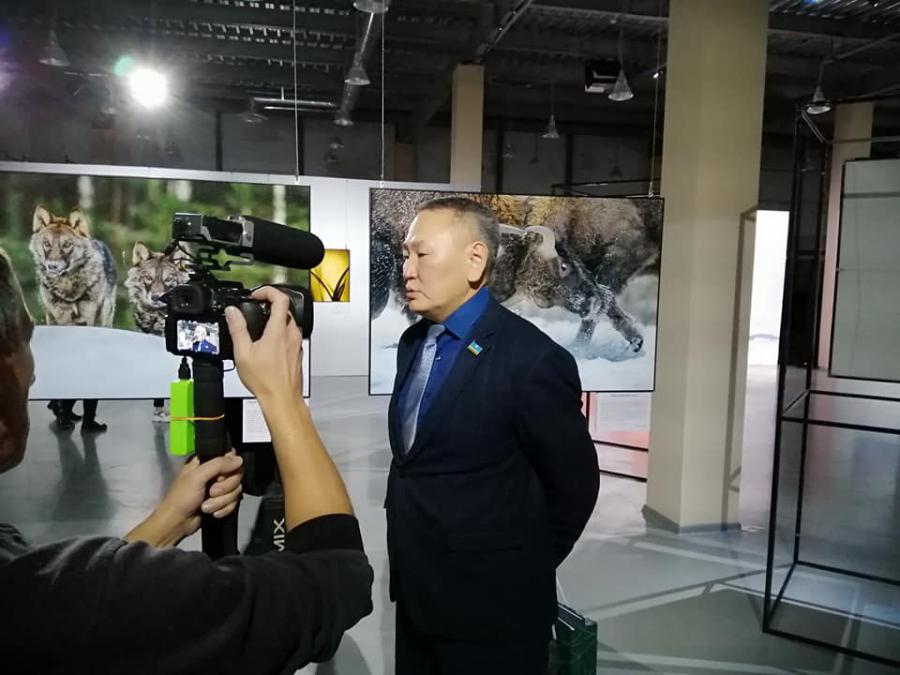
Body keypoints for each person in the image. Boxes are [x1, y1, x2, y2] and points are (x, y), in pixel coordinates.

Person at [0, 248, 373, 674]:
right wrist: (282, 397)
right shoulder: (45, 601)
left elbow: (91, 595)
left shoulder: (23, 574)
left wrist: (169, 521)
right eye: (25, 339)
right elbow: (337, 577)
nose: (32, 372)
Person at [386, 197, 600, 674]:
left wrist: (519, 565)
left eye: (422, 254)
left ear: (475, 260)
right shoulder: (413, 343)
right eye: (405, 254)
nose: (407, 270)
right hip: (417, 594)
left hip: (494, 613)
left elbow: (575, 486)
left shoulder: (533, 360)